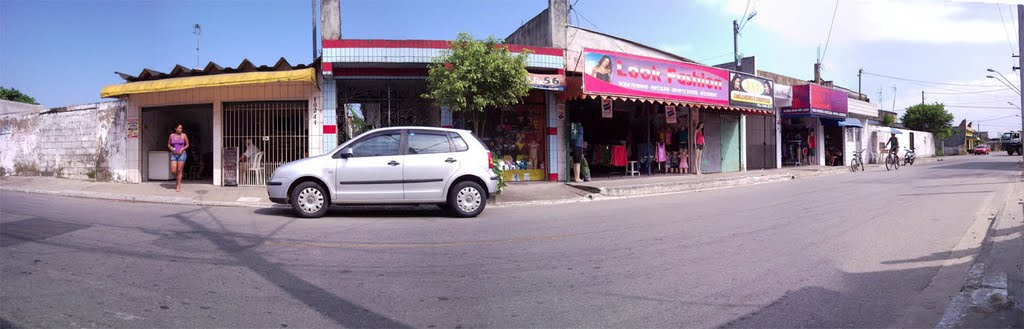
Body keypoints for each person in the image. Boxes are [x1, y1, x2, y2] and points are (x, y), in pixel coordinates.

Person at [167, 123, 190, 192]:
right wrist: (171, 148)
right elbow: (168, 144)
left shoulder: (184, 135)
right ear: (175, 129)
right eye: (179, 128)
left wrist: (182, 149)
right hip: (174, 154)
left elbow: (187, 144)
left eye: (181, 128)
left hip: (182, 154)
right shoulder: (171, 136)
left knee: (179, 170)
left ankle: (178, 185)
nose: (181, 129)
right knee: (173, 171)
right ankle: (178, 178)